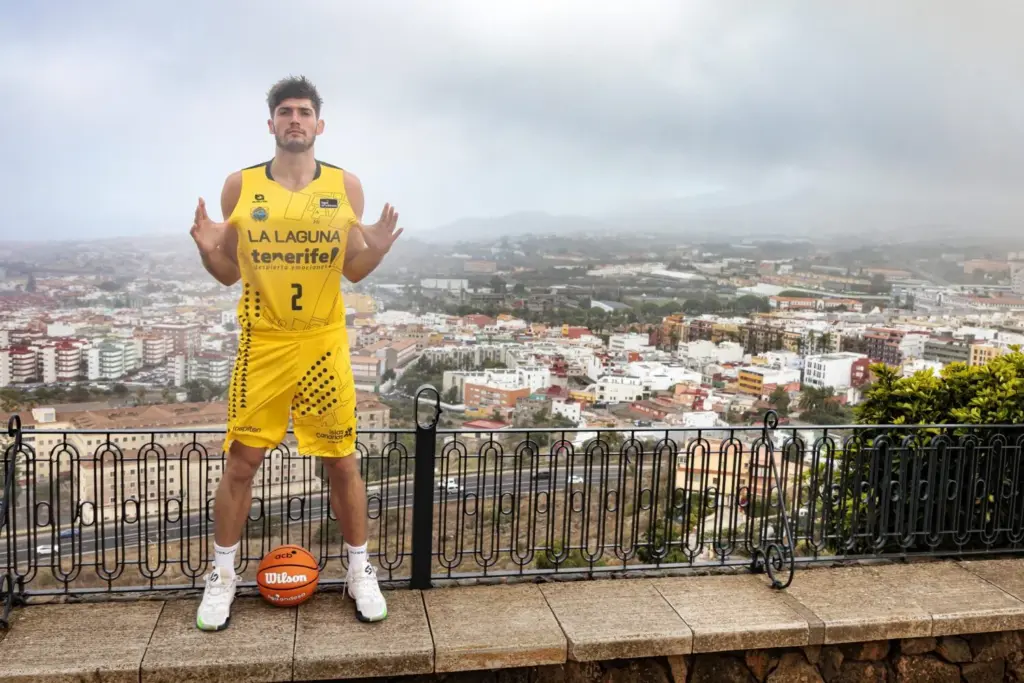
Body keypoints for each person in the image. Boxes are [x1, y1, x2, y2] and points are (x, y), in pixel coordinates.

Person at [189, 75, 403, 631]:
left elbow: (353, 268)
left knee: (343, 461)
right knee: (241, 462)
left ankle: (360, 571)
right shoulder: (239, 187)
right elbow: (227, 272)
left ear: (319, 124)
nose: (295, 120)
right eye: (285, 111)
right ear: (271, 124)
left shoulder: (345, 186)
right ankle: (222, 576)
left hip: (323, 342)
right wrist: (207, 250)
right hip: (263, 341)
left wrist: (375, 251)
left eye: (304, 112)